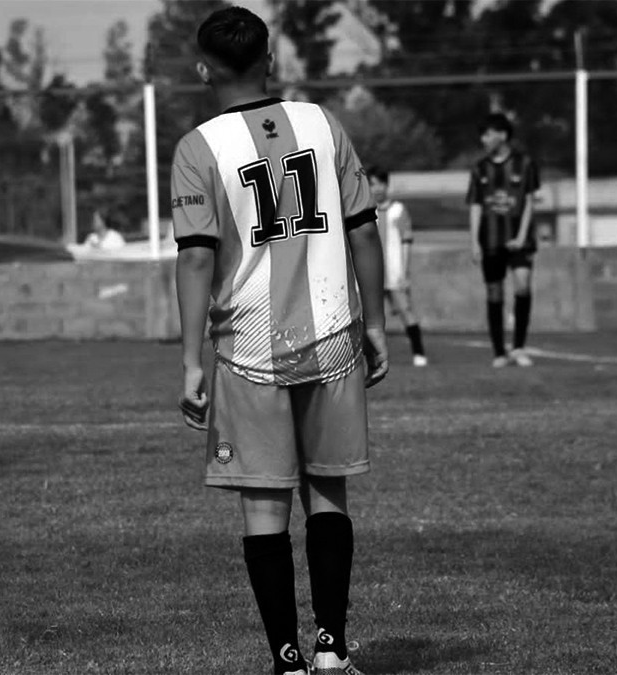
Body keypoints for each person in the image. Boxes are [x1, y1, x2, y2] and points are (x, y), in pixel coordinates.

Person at [172, 8, 386, 675]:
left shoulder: (198, 148)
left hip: (249, 351)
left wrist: (188, 360)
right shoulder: (322, 124)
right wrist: (376, 321)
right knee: (328, 492)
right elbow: (363, 230)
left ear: (203, 69)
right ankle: (332, 648)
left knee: (265, 502)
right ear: (271, 60)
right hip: (332, 342)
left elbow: (197, 258)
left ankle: (287, 659)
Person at [466, 113, 541, 368]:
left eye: (487, 134)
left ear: (503, 135)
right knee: (494, 291)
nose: (483, 139)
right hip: (491, 240)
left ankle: (519, 347)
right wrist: (475, 242)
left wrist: (521, 236)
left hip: (520, 240)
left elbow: (530, 201)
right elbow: (476, 205)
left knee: (522, 283)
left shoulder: (525, 164)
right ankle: (499, 352)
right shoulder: (479, 168)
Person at [368, 165, 428, 366]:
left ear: (386, 185)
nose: (376, 189)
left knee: (406, 310)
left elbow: (406, 241)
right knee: (366, 316)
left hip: (394, 272)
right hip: (371, 273)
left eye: (379, 184)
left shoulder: (398, 210)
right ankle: (367, 357)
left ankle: (419, 353)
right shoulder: (365, 211)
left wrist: (405, 271)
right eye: (372, 185)